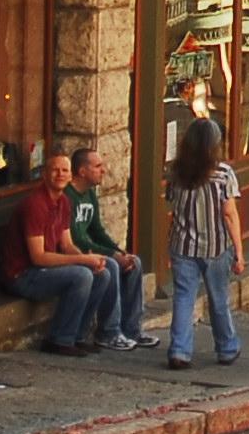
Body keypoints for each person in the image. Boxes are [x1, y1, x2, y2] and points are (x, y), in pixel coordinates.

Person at [163, 113, 242, 370]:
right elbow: (229, 214)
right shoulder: (223, 174)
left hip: (183, 243)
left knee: (184, 297)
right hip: (216, 245)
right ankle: (227, 347)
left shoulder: (176, 172)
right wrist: (239, 251)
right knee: (218, 297)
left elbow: (171, 203)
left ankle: (179, 350)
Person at [13, 151, 107, 355]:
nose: (60, 174)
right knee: (81, 275)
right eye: (54, 170)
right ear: (44, 175)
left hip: (45, 269)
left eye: (65, 170)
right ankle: (60, 340)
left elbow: (66, 244)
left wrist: (88, 260)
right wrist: (83, 260)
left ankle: (78, 336)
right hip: (24, 274)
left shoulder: (64, 202)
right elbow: (38, 257)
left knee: (101, 273)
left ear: (71, 175)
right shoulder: (35, 205)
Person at [68, 145, 148, 348]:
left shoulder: (90, 194)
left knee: (134, 262)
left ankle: (131, 329)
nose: (103, 170)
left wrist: (120, 251)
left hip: (89, 249)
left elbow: (97, 231)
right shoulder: (68, 197)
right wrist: (112, 255)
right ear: (82, 171)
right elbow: (77, 240)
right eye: (97, 166)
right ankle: (108, 332)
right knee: (111, 265)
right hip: (73, 253)